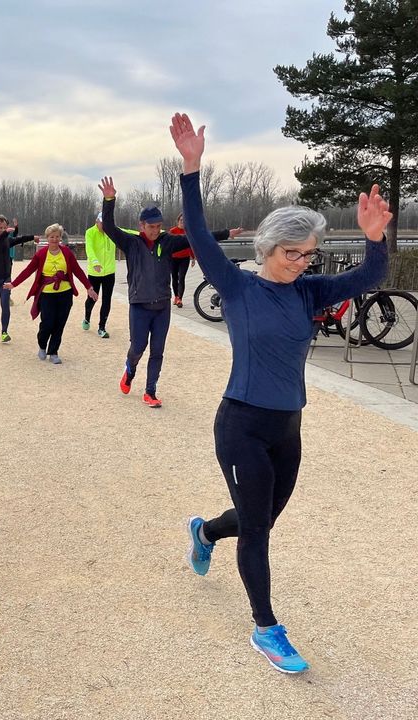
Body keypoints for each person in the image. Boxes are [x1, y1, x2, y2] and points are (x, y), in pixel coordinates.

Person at [170, 111, 390, 675]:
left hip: (288, 429)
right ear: (267, 249)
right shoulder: (237, 286)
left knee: (259, 520)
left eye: (308, 254)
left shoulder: (308, 292)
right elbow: (198, 235)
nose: (300, 262)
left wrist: (374, 239)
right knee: (258, 531)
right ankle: (266, 628)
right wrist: (191, 170)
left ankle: (205, 531)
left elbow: (368, 278)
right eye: (291, 253)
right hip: (241, 425)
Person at [100, 182, 197, 408]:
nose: (155, 231)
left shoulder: (168, 241)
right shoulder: (131, 243)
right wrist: (109, 201)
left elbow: (196, 238)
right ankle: (130, 370)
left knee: (157, 351)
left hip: (162, 306)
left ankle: (150, 391)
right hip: (140, 306)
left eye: (159, 226)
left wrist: (225, 234)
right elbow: (109, 227)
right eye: (151, 226)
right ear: (141, 225)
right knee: (138, 347)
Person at [5, 223, 98, 363]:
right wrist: (14, 284)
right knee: (47, 323)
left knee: (60, 324)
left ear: (60, 238)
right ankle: (42, 345)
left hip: (65, 293)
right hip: (47, 294)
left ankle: (53, 352)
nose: (55, 239)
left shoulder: (66, 252)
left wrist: (89, 287)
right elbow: (28, 270)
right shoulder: (41, 254)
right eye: (52, 237)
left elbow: (77, 270)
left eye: (57, 236)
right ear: (47, 238)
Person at [170, 213, 244, 307]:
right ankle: (176, 296)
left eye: (184, 220)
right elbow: (171, 246)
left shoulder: (188, 232)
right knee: (174, 278)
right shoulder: (172, 231)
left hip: (184, 258)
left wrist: (193, 257)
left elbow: (191, 244)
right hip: (173, 258)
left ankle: (179, 299)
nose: (182, 222)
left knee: (181, 278)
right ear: (177, 221)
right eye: (181, 220)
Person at [0, 214, 37, 342]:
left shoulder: (8, 240)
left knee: (5, 304)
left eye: (4, 228)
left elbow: (19, 239)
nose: (2, 230)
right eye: (0, 228)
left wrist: (33, 237)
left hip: (5, 279)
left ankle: (4, 332)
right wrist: (5, 233)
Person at [82, 212, 126, 338]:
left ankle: (102, 327)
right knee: (92, 299)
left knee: (107, 300)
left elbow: (127, 232)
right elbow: (89, 249)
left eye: (107, 223)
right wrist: (95, 262)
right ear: (97, 221)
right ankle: (87, 317)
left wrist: (144, 233)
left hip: (109, 272)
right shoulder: (90, 232)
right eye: (102, 223)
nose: (104, 225)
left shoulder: (112, 231)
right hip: (94, 273)